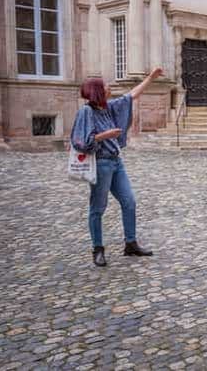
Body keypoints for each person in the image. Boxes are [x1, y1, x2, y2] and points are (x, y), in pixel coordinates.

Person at [70, 67, 163, 267]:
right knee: (98, 208)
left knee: (129, 201)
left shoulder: (109, 108)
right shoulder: (86, 111)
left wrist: (151, 78)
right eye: (105, 85)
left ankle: (131, 244)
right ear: (96, 91)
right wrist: (106, 135)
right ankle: (98, 249)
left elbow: (132, 95)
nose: (109, 86)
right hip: (101, 162)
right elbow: (79, 141)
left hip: (116, 161)